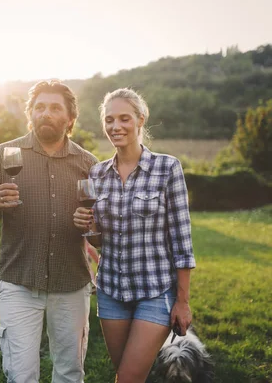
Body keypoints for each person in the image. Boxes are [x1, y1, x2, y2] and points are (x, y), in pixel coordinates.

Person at [0, 79, 98, 383]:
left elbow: (102, 232)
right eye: (39, 107)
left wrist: (92, 225)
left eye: (55, 108)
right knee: (20, 375)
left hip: (71, 284)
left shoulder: (88, 164)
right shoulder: (5, 154)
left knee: (69, 373)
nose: (46, 114)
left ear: (70, 119)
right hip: (20, 283)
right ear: (30, 114)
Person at [73, 88, 196, 383]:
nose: (116, 127)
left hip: (155, 291)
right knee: (127, 377)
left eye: (124, 118)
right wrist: (86, 227)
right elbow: (100, 240)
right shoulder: (97, 174)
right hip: (111, 291)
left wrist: (182, 300)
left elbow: (182, 240)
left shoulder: (167, 168)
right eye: (110, 119)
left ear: (141, 120)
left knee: (128, 377)